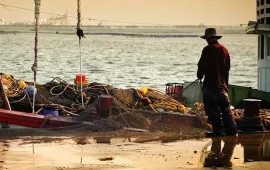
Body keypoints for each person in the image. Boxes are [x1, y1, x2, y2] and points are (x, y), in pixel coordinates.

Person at [197, 28, 238, 137]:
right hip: (222, 89)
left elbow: (202, 67)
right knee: (226, 112)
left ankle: (218, 131)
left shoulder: (208, 49)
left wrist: (199, 74)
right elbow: (227, 68)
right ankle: (232, 131)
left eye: (206, 39)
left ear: (209, 39)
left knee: (213, 112)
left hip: (210, 87)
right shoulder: (225, 50)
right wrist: (225, 86)